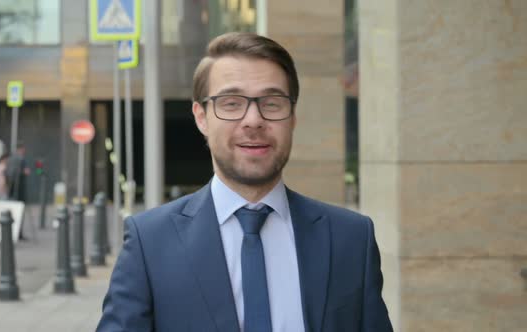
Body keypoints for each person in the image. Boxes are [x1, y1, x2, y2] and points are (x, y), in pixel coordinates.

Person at [97, 32, 393, 332]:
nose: (253, 120)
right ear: (202, 117)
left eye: (272, 102)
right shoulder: (150, 243)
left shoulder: (352, 239)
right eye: (231, 103)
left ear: (292, 118)